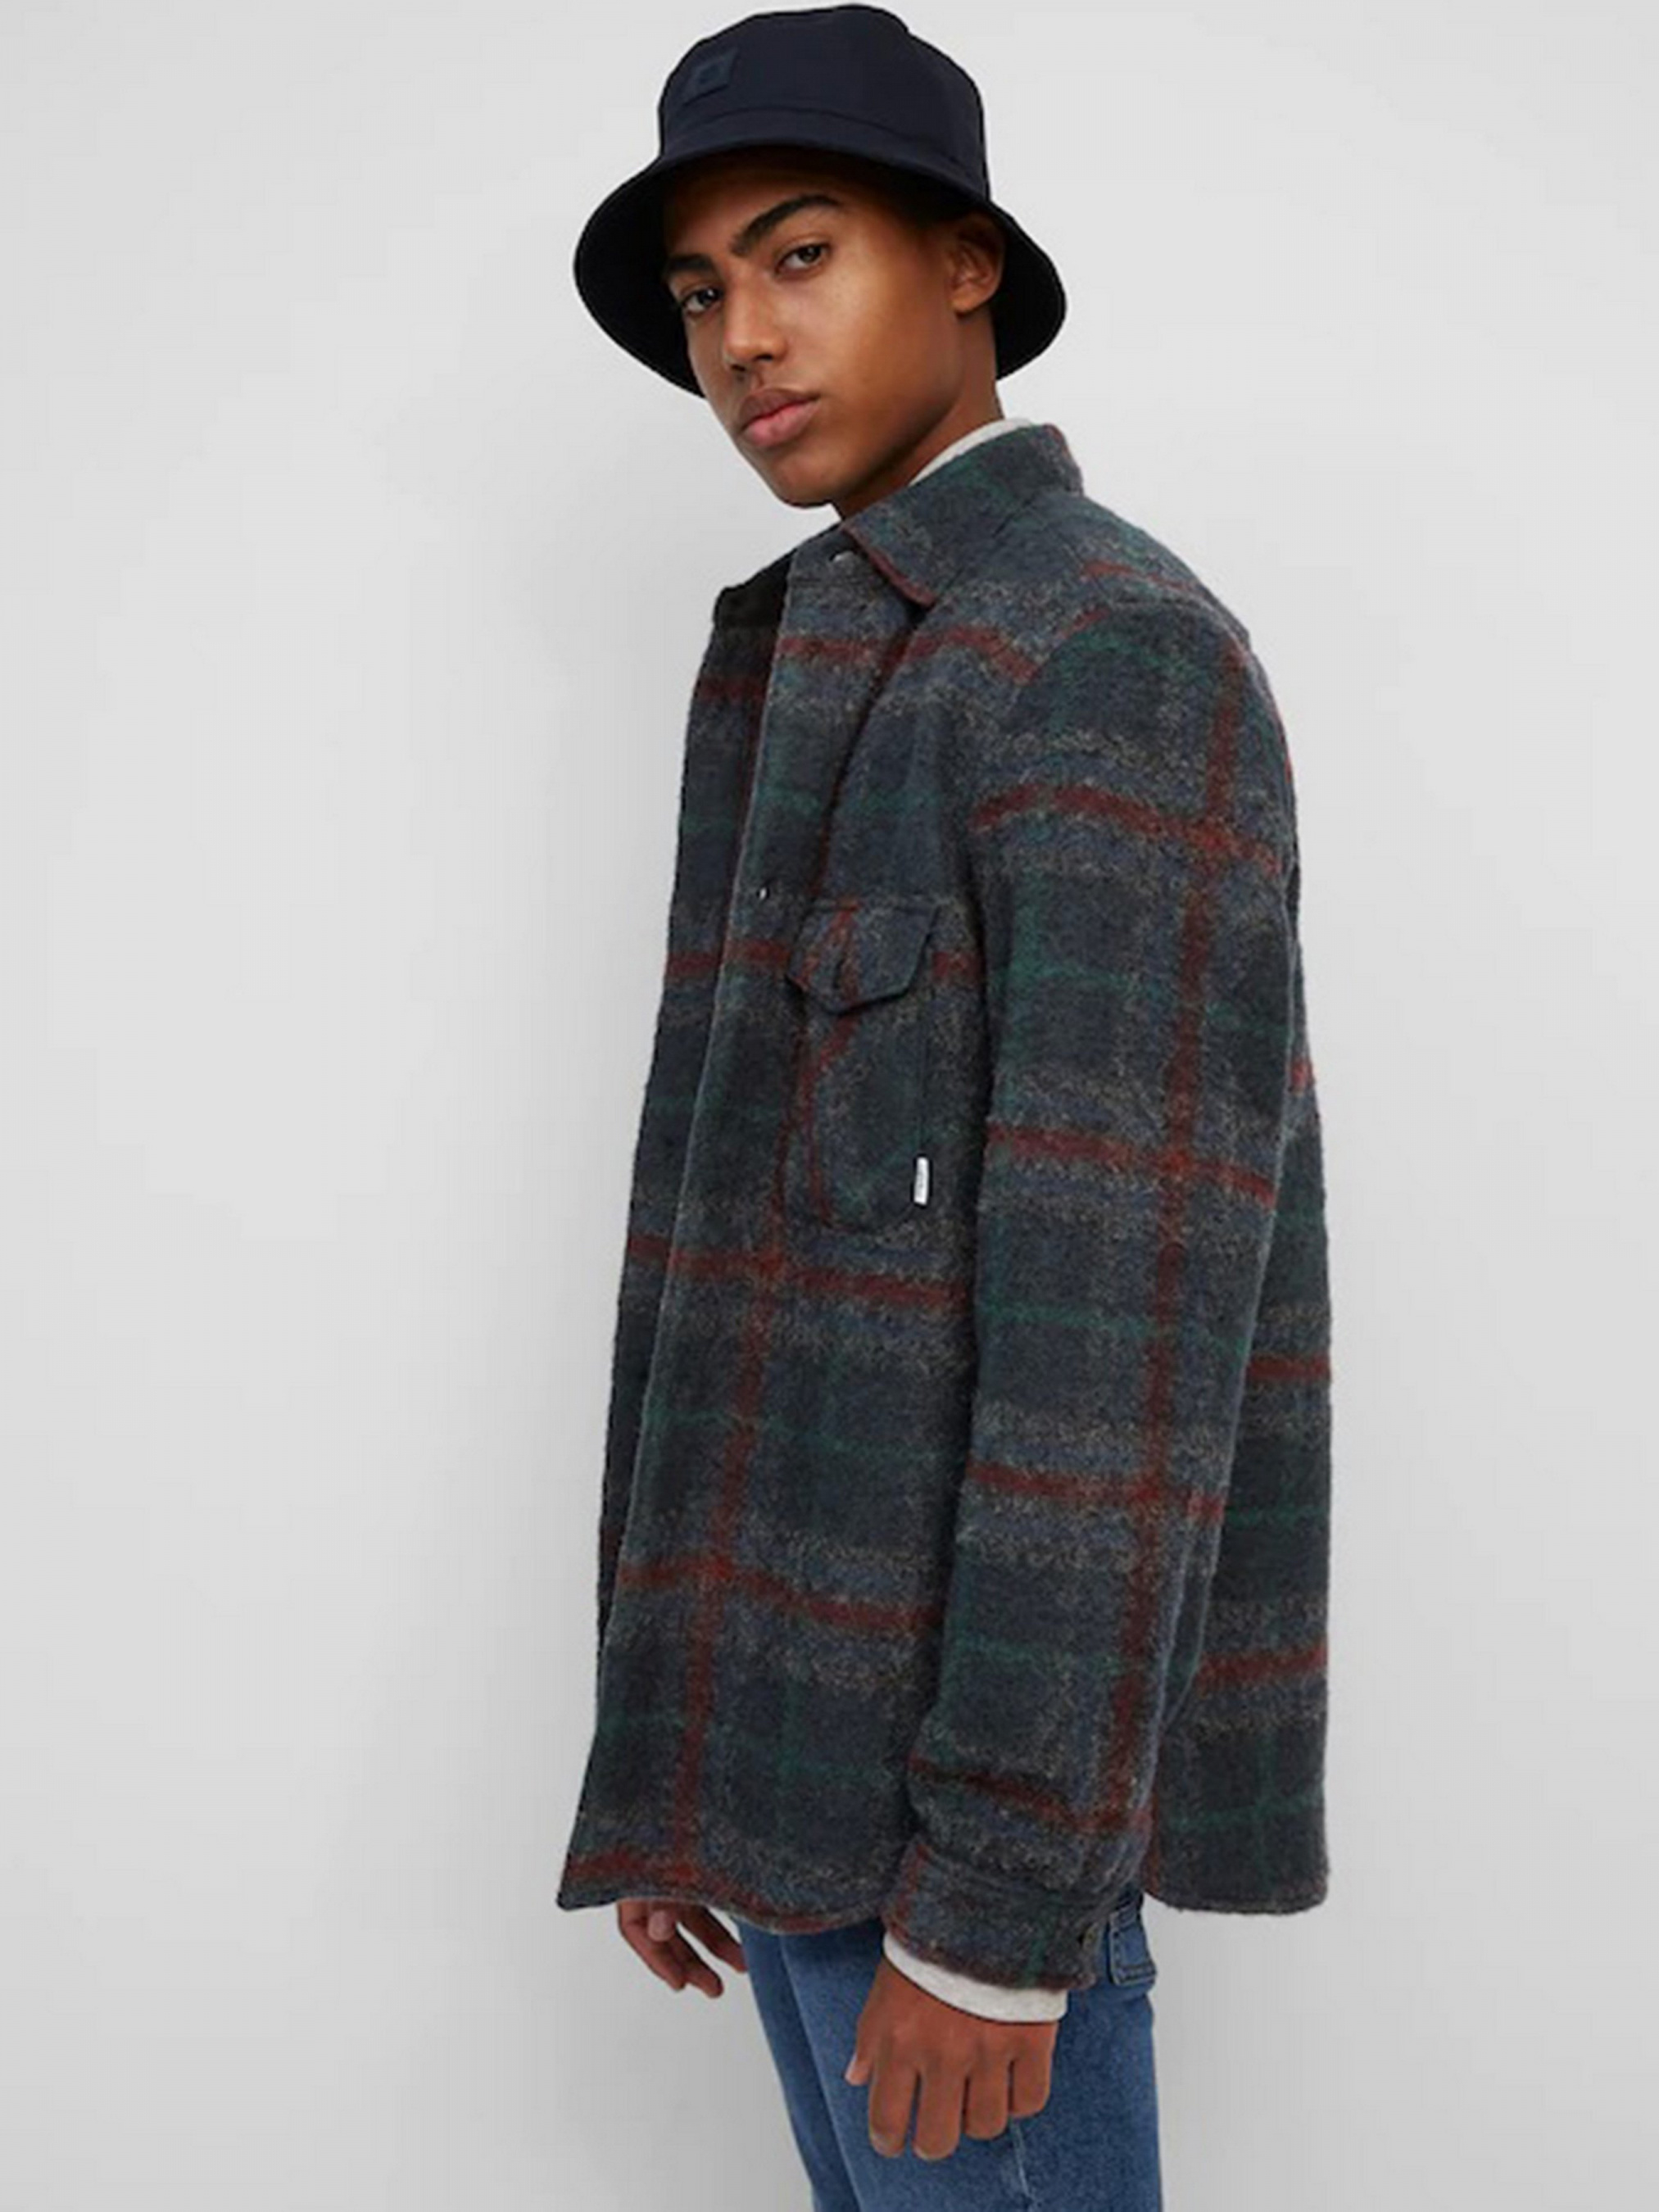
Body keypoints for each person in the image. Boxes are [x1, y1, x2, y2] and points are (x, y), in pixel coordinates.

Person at [556, 8, 1334, 2202]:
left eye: (799, 255)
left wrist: (996, 1912)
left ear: (968, 262)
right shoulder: (829, 657)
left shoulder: (1099, 653)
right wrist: (686, 1760)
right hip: (796, 1773)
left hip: (954, 1845)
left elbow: (1121, 1351)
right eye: (700, 292)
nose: (738, 339)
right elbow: (770, 1273)